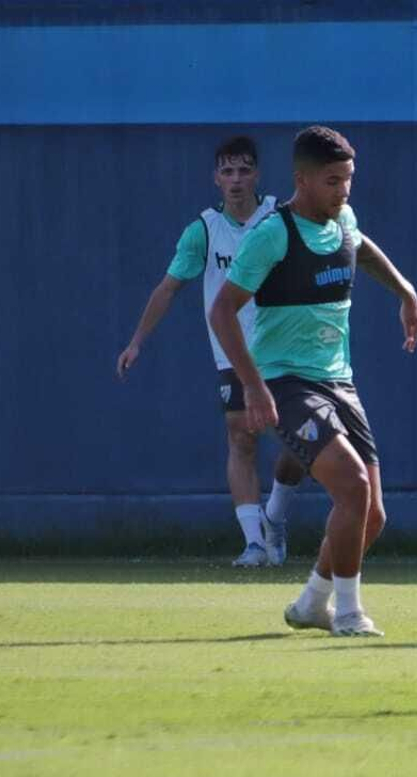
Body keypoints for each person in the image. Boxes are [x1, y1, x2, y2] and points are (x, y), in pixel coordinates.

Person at [209, 125, 417, 637]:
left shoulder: (343, 218)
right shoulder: (272, 235)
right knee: (350, 489)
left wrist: (404, 291)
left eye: (348, 179)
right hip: (286, 382)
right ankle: (348, 613)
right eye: (332, 181)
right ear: (301, 180)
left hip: (339, 382)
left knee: (373, 516)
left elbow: (360, 246)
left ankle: (312, 601)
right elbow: (221, 311)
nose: (343, 191)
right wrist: (254, 385)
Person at [115, 135, 304, 567]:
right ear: (215, 178)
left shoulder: (280, 217)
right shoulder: (203, 230)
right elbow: (169, 287)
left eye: (243, 170)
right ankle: (255, 543)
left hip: (285, 350)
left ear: (256, 173)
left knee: (301, 441)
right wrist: (136, 341)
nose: (236, 179)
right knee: (241, 437)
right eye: (227, 171)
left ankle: (275, 516)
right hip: (232, 353)